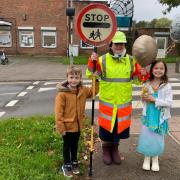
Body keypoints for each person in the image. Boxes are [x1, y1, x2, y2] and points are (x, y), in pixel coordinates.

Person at [86, 31, 149, 165]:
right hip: (108, 104)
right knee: (106, 131)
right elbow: (91, 75)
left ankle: (115, 150)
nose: (119, 46)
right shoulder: (102, 59)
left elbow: (138, 81)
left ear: (125, 44)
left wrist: (143, 74)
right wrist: (92, 62)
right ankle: (106, 150)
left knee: (118, 130)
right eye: (116, 43)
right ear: (111, 44)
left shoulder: (132, 60)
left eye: (121, 43)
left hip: (123, 105)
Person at [55, 65, 99, 178]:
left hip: (78, 125)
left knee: (74, 145)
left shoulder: (83, 90)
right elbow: (58, 113)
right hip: (67, 126)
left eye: (76, 77)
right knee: (67, 146)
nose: (74, 80)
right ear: (67, 78)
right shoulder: (62, 94)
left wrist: (96, 80)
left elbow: (94, 92)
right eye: (71, 77)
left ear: (80, 78)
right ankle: (66, 164)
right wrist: (61, 127)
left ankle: (74, 162)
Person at [137, 60, 173, 171]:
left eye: (161, 68)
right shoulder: (147, 83)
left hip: (160, 117)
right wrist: (143, 97)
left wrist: (154, 99)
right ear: (152, 70)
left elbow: (169, 103)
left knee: (157, 138)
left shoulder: (167, 86)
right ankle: (147, 158)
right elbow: (143, 98)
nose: (158, 70)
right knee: (147, 136)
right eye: (156, 68)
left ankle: (155, 158)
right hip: (149, 115)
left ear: (165, 70)